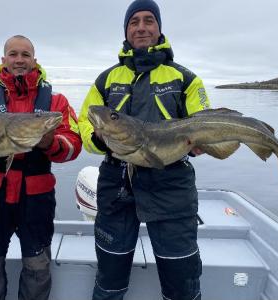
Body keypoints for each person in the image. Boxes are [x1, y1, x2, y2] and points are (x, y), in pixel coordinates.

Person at [78, 1, 210, 300]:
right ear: (126, 30)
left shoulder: (185, 79)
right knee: (109, 278)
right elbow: (84, 126)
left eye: (148, 20)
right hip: (116, 184)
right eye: (134, 21)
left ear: (159, 28)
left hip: (172, 184)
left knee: (182, 281)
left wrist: (203, 144)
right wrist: (99, 139)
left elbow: (203, 118)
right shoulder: (105, 80)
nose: (141, 27)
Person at [0, 35, 82, 300]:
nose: (19, 60)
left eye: (25, 55)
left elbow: (74, 145)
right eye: (14, 54)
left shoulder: (56, 102)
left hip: (36, 197)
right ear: (4, 60)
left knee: (38, 267)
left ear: (34, 61)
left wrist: (51, 143)